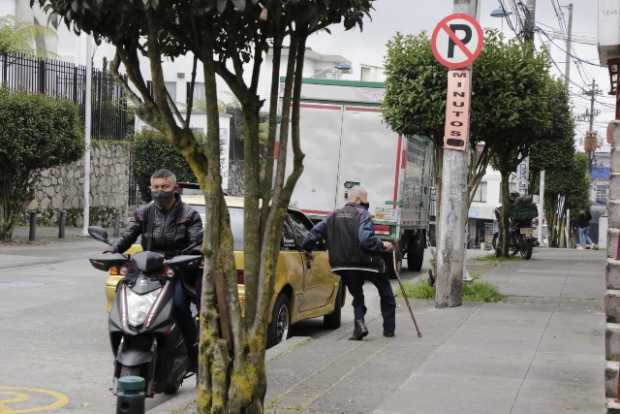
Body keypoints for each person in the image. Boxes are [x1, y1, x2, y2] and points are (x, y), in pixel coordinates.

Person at [108, 169, 203, 370]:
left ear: (175, 188)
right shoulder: (143, 212)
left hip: (176, 271)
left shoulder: (189, 215)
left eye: (165, 187)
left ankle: (195, 358)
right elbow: (128, 235)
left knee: (177, 305)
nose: (160, 191)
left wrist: (184, 259)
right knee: (124, 296)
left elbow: (197, 244)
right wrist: (113, 250)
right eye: (156, 187)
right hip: (148, 270)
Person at [302, 186, 396, 340]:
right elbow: (365, 239)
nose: (367, 203)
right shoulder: (363, 214)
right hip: (367, 262)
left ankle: (359, 323)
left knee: (357, 295)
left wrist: (307, 249)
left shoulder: (333, 216)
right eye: (366, 199)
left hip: (342, 264)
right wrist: (382, 245)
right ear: (358, 199)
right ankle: (389, 330)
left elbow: (313, 234)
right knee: (385, 291)